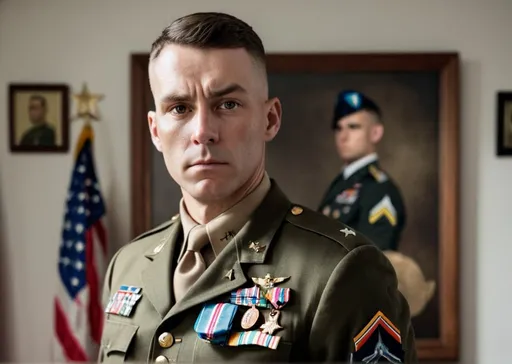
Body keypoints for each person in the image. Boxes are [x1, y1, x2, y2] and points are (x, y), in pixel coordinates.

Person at [99, 12, 417, 363]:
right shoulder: (127, 267)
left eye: (227, 104)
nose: (203, 130)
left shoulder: (343, 270)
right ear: (156, 130)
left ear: (270, 119)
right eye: (179, 108)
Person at [317, 90, 406, 251]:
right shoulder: (341, 183)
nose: (343, 136)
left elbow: (373, 261)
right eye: (338, 128)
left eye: (353, 127)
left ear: (375, 133)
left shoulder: (379, 188)